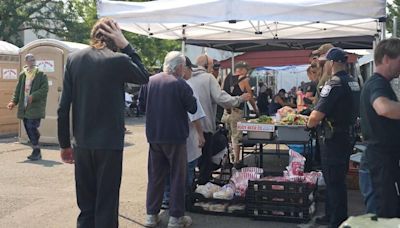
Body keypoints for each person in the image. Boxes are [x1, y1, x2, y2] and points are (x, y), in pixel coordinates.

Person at [57, 18, 149, 228]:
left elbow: (63, 107)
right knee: (106, 205)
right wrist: (126, 45)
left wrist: (64, 144)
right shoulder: (119, 60)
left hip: (82, 143)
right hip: (109, 144)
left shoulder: (74, 59)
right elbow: (144, 77)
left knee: (86, 207)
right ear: (115, 37)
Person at [139, 51, 197, 228]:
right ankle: (176, 217)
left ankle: (151, 215)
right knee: (177, 176)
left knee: (155, 176)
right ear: (180, 67)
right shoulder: (181, 84)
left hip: (154, 136)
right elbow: (193, 108)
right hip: (175, 137)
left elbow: (141, 107)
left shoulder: (149, 81)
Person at [306, 47, 359, 227]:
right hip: (347, 135)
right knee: (336, 178)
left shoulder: (333, 83)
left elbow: (315, 116)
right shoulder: (353, 81)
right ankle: (331, 215)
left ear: (332, 63)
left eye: (325, 62)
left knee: (333, 180)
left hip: (333, 137)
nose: (324, 66)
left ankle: (336, 220)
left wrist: (308, 123)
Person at [189, 54, 251, 185]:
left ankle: (189, 186)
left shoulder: (187, 78)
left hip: (188, 127)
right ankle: (202, 187)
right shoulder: (208, 78)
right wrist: (239, 99)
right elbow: (220, 97)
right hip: (205, 126)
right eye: (212, 67)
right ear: (206, 66)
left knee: (190, 160)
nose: (213, 70)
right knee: (205, 160)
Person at [360, 38, 400, 218]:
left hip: (383, 162)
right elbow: (383, 107)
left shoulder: (379, 83)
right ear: (386, 59)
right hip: (379, 164)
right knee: (381, 218)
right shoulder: (377, 83)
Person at [162, 56, 206, 210]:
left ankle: (167, 198)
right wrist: (201, 135)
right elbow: (194, 114)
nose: (191, 71)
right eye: (189, 68)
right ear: (182, 67)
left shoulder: (158, 83)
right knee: (185, 169)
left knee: (167, 169)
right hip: (185, 137)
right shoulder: (185, 86)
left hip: (162, 137)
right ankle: (180, 201)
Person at [7, 53, 48, 161]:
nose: (32, 62)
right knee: (28, 127)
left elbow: (44, 90)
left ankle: (36, 150)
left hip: (35, 106)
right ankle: (36, 140)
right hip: (24, 106)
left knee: (30, 126)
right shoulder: (23, 75)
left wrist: (33, 96)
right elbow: (17, 90)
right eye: (29, 60)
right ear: (26, 62)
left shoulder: (41, 74)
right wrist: (13, 102)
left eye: (33, 60)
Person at [222, 61, 259, 167]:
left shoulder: (226, 78)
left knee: (227, 136)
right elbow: (250, 96)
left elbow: (221, 93)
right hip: (237, 112)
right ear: (242, 70)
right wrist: (256, 109)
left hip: (226, 111)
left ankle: (227, 159)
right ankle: (237, 161)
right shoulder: (244, 80)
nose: (247, 74)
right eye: (247, 71)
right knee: (236, 137)